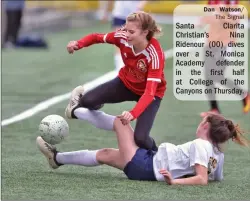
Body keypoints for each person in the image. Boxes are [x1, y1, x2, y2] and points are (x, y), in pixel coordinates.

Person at [36, 111, 249, 185]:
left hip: (146, 166)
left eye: (203, 121)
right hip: (149, 162)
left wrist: (175, 181)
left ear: (205, 126)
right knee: (105, 154)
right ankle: (57, 159)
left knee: (121, 122)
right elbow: (216, 178)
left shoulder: (201, 144)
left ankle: (76, 110)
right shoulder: (217, 153)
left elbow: (203, 179)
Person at [65, 11, 166, 152]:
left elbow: (149, 93)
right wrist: (78, 44)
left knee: (141, 138)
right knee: (87, 101)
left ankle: (158, 156)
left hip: (151, 94)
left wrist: (133, 113)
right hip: (125, 84)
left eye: (131, 31)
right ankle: (85, 104)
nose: (126, 34)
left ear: (145, 32)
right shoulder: (123, 37)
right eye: (125, 29)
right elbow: (96, 37)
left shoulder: (155, 54)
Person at [200, 1, 250, 116]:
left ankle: (244, 94)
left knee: (216, 76)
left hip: (225, 44)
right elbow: (207, 17)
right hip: (210, 43)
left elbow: (234, 22)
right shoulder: (212, 2)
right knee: (208, 77)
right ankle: (214, 109)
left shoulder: (231, 2)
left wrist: (219, 14)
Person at [100, 0, 148, 71]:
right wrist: (105, 12)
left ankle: (137, 65)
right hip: (119, 14)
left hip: (134, 15)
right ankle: (119, 68)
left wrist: (141, 6)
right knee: (119, 42)